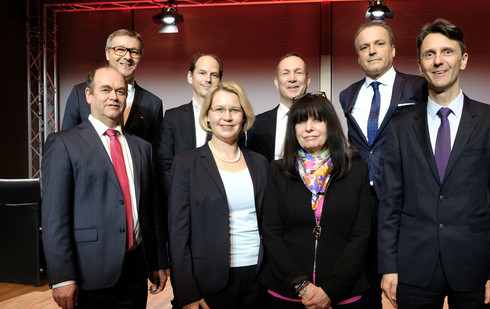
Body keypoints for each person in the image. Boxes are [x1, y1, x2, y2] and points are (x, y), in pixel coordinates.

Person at [379, 19, 490, 309]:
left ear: (463, 59)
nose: (438, 61)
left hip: (476, 268)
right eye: (429, 54)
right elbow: (390, 202)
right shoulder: (399, 128)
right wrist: (388, 266)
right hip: (414, 267)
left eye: (447, 52)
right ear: (419, 65)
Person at [41, 67, 167, 309]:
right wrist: (61, 277)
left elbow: (152, 211)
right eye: (106, 90)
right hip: (89, 275)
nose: (114, 96)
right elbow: (55, 217)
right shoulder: (64, 143)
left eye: (120, 91)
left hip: (136, 272)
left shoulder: (142, 147)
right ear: (89, 95)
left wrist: (158, 260)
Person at [338, 21, 427, 309]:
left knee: (410, 283)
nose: (372, 51)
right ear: (358, 55)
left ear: (392, 49)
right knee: (364, 282)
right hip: (362, 200)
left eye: (378, 44)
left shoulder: (418, 86)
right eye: (364, 47)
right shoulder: (347, 95)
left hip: (406, 199)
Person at [259, 92, 371, 309]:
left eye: (317, 120)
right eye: (301, 121)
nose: (308, 128)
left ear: (330, 124)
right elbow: (271, 231)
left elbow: (361, 234)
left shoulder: (356, 170)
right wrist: (302, 286)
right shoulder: (278, 170)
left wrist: (331, 290)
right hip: (287, 292)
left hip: (343, 292)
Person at [168, 81, 268, 309]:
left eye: (235, 110)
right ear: (208, 115)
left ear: (244, 116)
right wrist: (186, 292)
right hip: (209, 280)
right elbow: (178, 233)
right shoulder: (186, 163)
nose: (227, 117)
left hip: (258, 277)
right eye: (219, 109)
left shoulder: (260, 163)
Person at [61, 29, 163, 150]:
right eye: (120, 49)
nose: (127, 57)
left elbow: (155, 155)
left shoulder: (153, 103)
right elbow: (66, 143)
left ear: (140, 57)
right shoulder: (80, 93)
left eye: (134, 52)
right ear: (107, 53)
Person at [158, 53, 223, 189]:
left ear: (220, 81)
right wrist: (179, 196)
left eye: (214, 75)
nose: (208, 79)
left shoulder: (228, 120)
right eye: (202, 73)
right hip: (181, 198)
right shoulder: (173, 117)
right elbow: (165, 164)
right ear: (190, 77)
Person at [246, 52, 311, 162]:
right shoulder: (255, 125)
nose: (292, 79)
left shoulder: (323, 122)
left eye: (298, 72)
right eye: (285, 73)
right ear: (276, 82)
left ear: (307, 80)